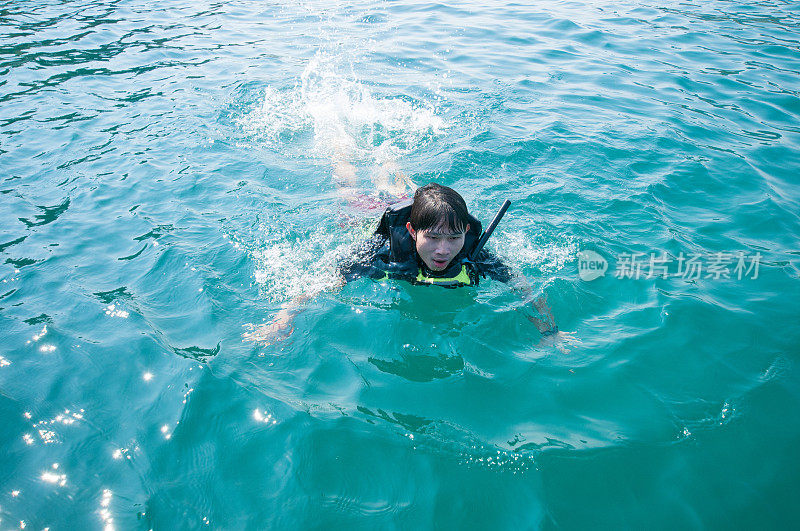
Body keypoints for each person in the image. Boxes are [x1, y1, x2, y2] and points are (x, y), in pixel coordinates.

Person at [244, 183, 577, 351]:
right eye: (432, 238)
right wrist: (282, 320)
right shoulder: (385, 253)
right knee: (350, 193)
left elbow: (523, 287)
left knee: (414, 192)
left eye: (453, 237)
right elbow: (324, 281)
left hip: (430, 209)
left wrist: (550, 332)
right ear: (412, 232)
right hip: (375, 209)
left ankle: (397, 175)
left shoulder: (476, 253)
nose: (444, 250)